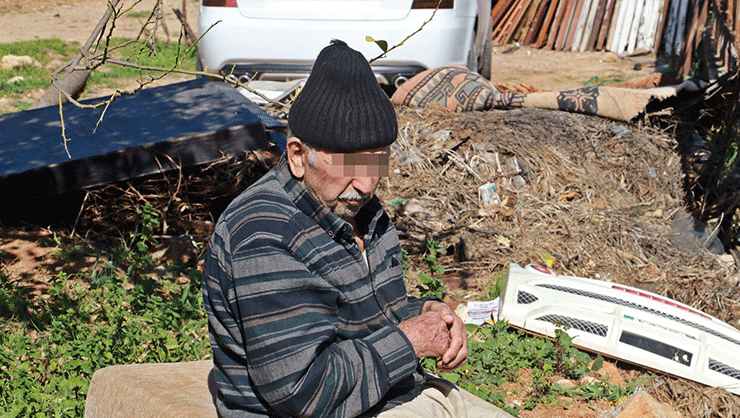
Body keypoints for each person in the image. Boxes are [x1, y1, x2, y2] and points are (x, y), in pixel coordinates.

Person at [203, 39, 513, 418]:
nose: (367, 185)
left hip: (388, 395)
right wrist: (410, 340)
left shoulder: (353, 207)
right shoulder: (265, 234)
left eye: (377, 162)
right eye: (350, 164)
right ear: (298, 156)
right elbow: (303, 393)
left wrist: (427, 312)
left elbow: (361, 319)